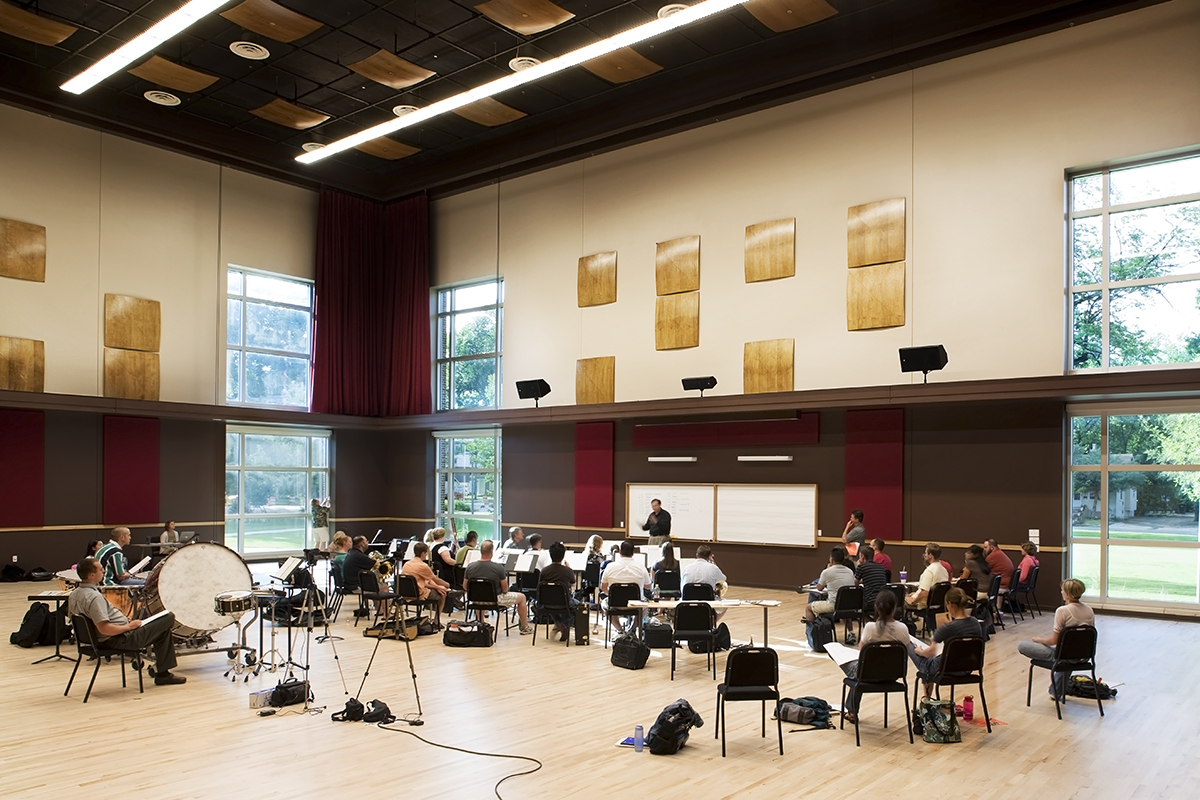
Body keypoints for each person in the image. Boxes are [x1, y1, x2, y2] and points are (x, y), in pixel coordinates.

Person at [68, 557, 185, 686]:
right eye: (101, 570)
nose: (103, 571)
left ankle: (162, 673)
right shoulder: (94, 597)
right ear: (91, 575)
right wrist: (129, 627)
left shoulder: (74, 594)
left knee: (162, 630)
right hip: (119, 640)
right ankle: (162, 673)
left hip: (102, 639)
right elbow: (104, 629)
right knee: (168, 617)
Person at [1017, 578, 1094, 699]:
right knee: (1065, 655)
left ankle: (1057, 690)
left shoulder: (1062, 611)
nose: (1061, 592)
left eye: (1062, 590)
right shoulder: (1089, 610)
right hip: (1084, 656)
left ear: (1068, 594)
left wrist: (1040, 640)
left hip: (1065, 656)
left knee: (1022, 645)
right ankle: (1057, 691)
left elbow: (1054, 641)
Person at [840, 590, 910, 723]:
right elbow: (904, 654)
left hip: (868, 674)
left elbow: (862, 653)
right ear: (895, 608)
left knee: (849, 665)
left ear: (876, 607)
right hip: (893, 674)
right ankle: (851, 711)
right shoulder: (903, 628)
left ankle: (852, 711)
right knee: (860, 673)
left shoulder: (870, 627)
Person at [910, 587, 982, 700]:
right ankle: (927, 700)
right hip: (968, 668)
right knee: (931, 661)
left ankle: (926, 699)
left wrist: (919, 651)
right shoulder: (975, 623)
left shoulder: (947, 628)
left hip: (946, 669)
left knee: (913, 648)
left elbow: (931, 652)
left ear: (950, 605)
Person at [464, 540, 534, 634]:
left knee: (480, 594)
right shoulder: (498, 568)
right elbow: (505, 589)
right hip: (494, 600)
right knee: (522, 597)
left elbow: (465, 586)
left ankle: (481, 623)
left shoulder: (470, 566)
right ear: (492, 552)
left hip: (476, 599)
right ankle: (525, 627)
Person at [400, 542, 459, 627]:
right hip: (419, 593)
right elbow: (435, 579)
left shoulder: (407, 564)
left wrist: (437, 587)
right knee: (443, 594)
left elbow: (421, 582)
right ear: (423, 553)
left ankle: (449, 593)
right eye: (426, 553)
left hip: (406, 593)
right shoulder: (423, 565)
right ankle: (437, 621)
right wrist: (447, 585)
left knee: (440, 588)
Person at [600, 540, 653, 633]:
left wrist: (612, 595)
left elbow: (603, 587)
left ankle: (619, 630)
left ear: (619, 551)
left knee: (604, 605)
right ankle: (632, 629)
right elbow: (648, 587)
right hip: (636, 605)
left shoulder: (610, 566)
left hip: (615, 604)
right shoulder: (641, 567)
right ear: (633, 553)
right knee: (646, 606)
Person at [538, 542, 578, 641]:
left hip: (546, 603)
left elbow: (540, 586)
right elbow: (574, 584)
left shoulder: (544, 571)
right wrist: (569, 568)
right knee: (578, 605)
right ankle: (565, 624)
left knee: (552, 600)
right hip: (564, 602)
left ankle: (559, 623)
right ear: (563, 555)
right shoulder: (567, 571)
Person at [804, 546, 856, 622]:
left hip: (833, 605)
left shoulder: (827, 572)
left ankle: (811, 633)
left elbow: (819, 588)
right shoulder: (850, 571)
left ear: (832, 559)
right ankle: (851, 632)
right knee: (843, 606)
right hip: (848, 605)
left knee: (808, 608)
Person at [905, 543, 950, 611]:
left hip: (925, 605)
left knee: (902, 600)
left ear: (930, 555)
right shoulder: (944, 570)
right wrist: (916, 594)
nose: (924, 555)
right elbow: (934, 591)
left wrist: (913, 601)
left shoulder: (929, 571)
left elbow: (924, 593)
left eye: (926, 553)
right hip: (939, 605)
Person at [855, 544, 888, 612]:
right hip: (883, 600)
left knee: (857, 608)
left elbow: (855, 584)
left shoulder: (862, 567)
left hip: (870, 601)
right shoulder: (881, 566)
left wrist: (858, 566)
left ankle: (869, 621)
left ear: (862, 557)